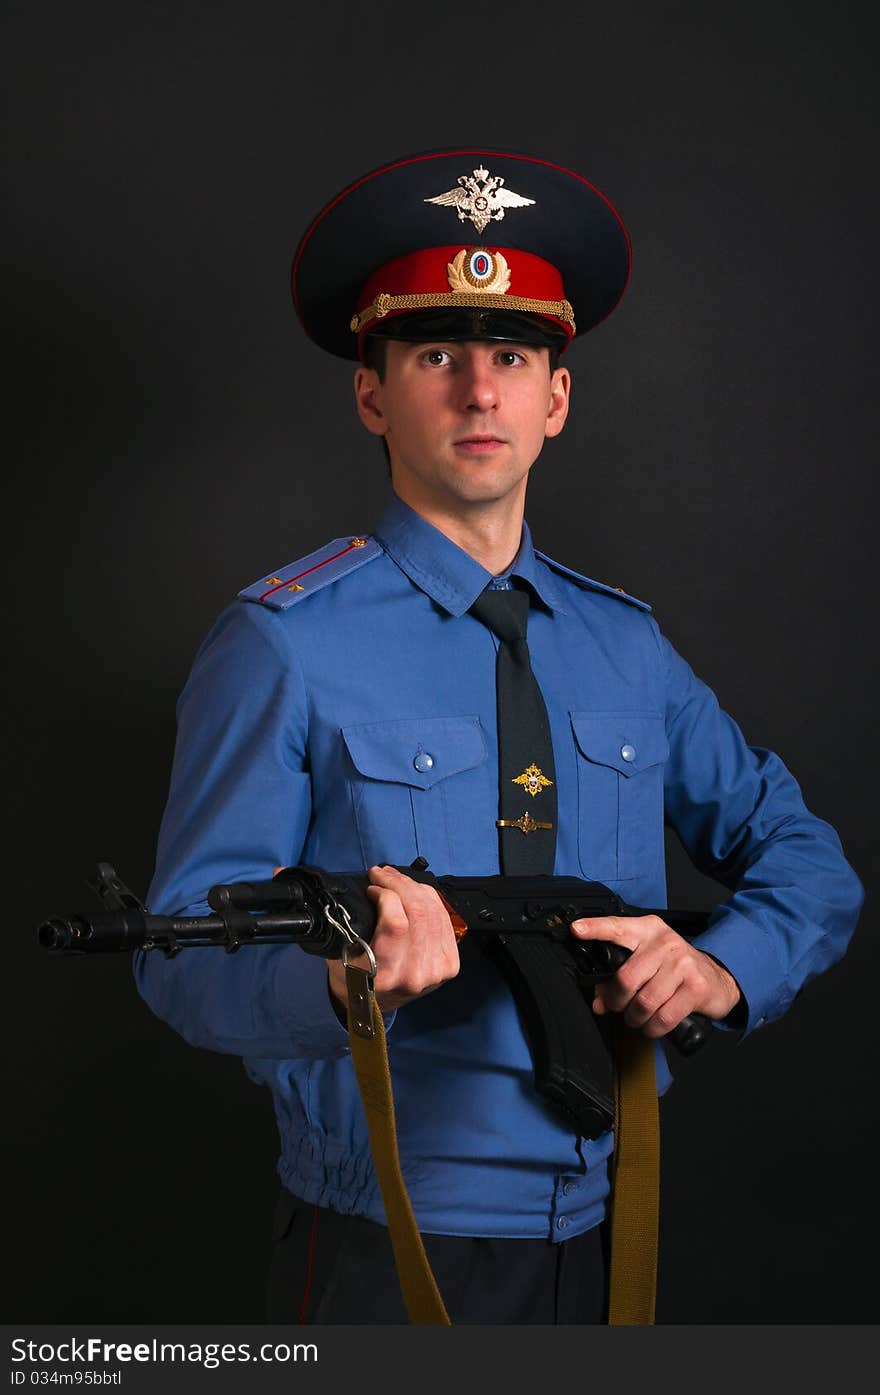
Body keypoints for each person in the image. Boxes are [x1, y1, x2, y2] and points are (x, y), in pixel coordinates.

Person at [134, 148, 863, 1325]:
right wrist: (337, 982)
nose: (480, 392)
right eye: (437, 357)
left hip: (606, 1216)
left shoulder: (625, 647)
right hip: (384, 1236)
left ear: (554, 401)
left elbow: (807, 862)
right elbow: (181, 954)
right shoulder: (281, 644)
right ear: (373, 394)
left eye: (513, 359)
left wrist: (725, 970)